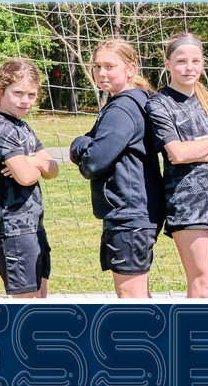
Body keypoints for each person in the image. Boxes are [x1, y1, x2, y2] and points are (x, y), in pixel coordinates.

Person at [147, 32, 208, 298]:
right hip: (187, 204)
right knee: (202, 285)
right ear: (168, 64)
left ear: (202, 63)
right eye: (181, 61)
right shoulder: (159, 104)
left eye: (195, 61)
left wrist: (196, 149)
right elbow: (177, 153)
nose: (189, 67)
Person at [69, 39, 165, 298]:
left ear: (131, 68)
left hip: (129, 213)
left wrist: (78, 144)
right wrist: (85, 143)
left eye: (110, 66)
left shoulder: (122, 108)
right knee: (138, 294)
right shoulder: (134, 100)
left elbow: (93, 162)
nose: (101, 73)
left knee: (130, 297)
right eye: (97, 66)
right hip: (138, 210)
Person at [0, 59, 59, 298]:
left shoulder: (21, 126)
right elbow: (25, 177)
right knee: (26, 305)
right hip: (12, 226)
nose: (25, 100)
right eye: (18, 93)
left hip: (32, 224)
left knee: (39, 298)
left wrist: (35, 162)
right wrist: (35, 164)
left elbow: (53, 169)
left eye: (31, 95)